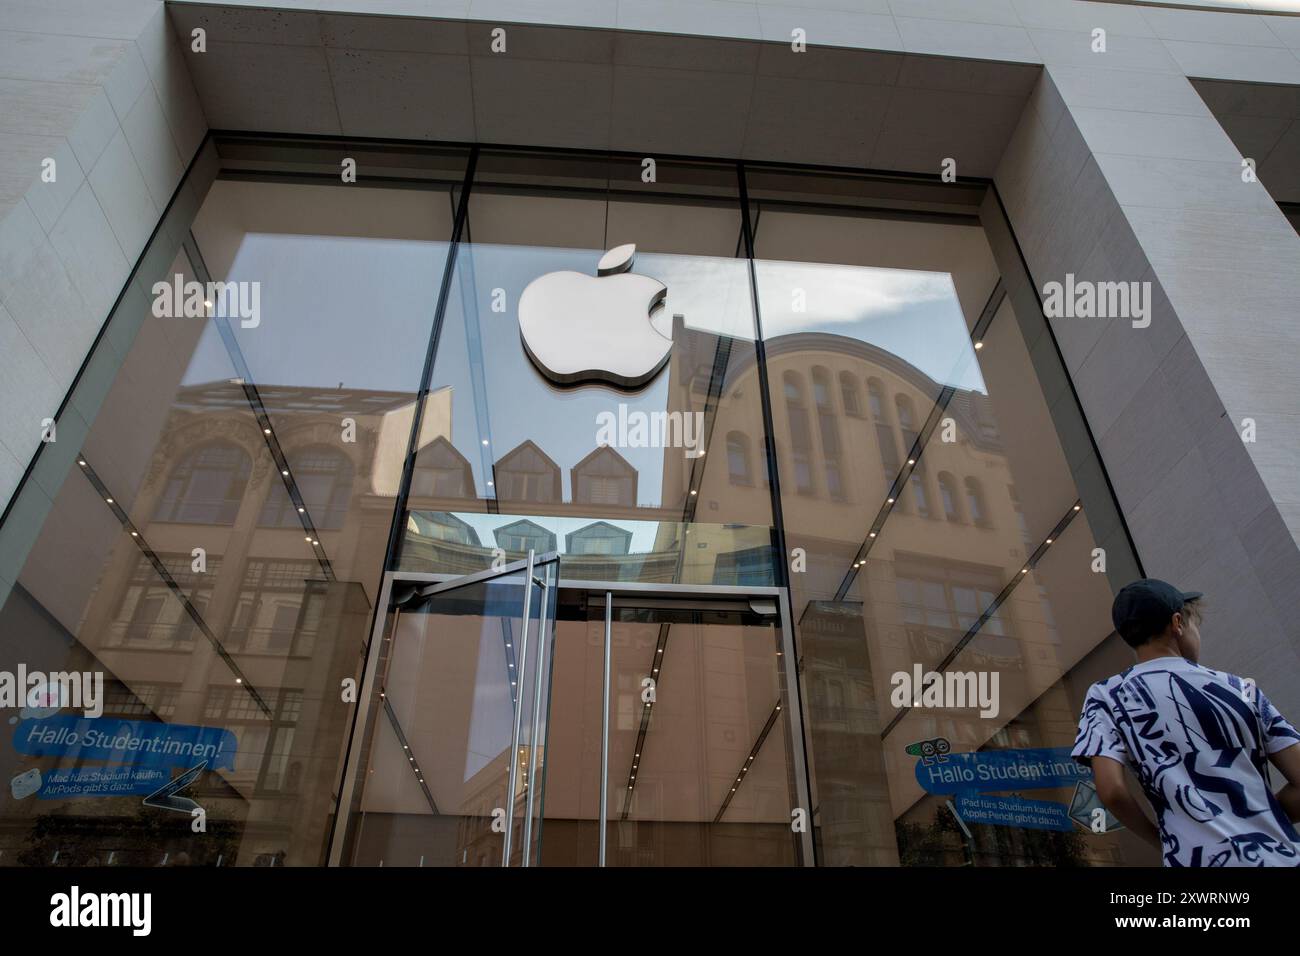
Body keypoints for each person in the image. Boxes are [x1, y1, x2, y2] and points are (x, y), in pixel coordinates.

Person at [1071, 579, 1300, 866]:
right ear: (1177, 623)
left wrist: (1163, 841)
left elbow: (1112, 790)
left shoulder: (1108, 694)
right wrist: (1258, 819)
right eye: (1194, 623)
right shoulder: (1241, 688)